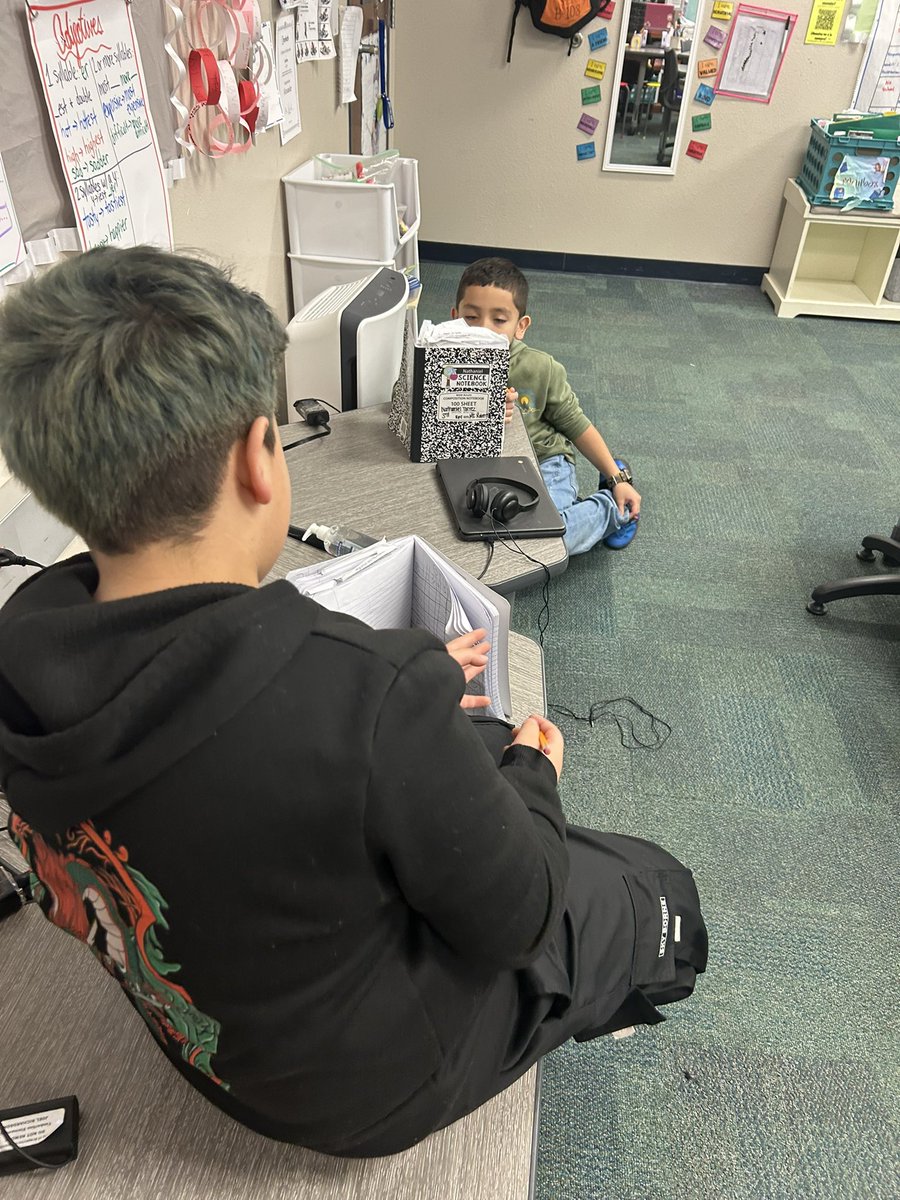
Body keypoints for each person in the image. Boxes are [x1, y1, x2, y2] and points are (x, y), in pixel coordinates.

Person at [0, 247, 706, 1158]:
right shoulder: (367, 696)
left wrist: (396, 690)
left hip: (204, 1042)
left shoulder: (25, 639)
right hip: (360, 1095)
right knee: (638, 881)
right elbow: (520, 917)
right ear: (259, 461)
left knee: (466, 759)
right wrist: (533, 769)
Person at [453, 257, 641, 552]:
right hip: (485, 465)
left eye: (499, 320)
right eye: (471, 317)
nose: (483, 329)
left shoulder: (541, 368)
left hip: (545, 461)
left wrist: (617, 479)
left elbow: (577, 425)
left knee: (544, 540)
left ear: (520, 326)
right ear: (454, 317)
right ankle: (575, 509)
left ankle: (615, 510)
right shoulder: (441, 361)